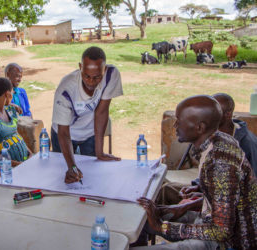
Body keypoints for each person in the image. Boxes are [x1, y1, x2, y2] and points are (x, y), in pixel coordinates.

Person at [135, 95, 257, 249]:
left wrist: (162, 227)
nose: (175, 125)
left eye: (180, 121)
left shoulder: (220, 163)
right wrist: (183, 206)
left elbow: (221, 231)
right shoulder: (219, 141)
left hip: (226, 243)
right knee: (140, 220)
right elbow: (226, 199)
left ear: (199, 127)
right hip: (208, 221)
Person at [51, 46, 123, 184]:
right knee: (64, 176)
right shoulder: (66, 89)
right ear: (80, 67)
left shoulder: (111, 75)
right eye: (86, 76)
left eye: (97, 77)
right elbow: (64, 132)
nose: (91, 82)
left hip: (90, 132)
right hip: (64, 134)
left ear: (104, 69)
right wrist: (72, 166)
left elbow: (101, 112)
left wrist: (99, 152)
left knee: (92, 177)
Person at [213, 93, 257, 176]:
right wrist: (198, 184)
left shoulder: (246, 143)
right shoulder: (214, 135)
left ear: (228, 114)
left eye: (213, 112)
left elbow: (252, 179)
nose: (207, 115)